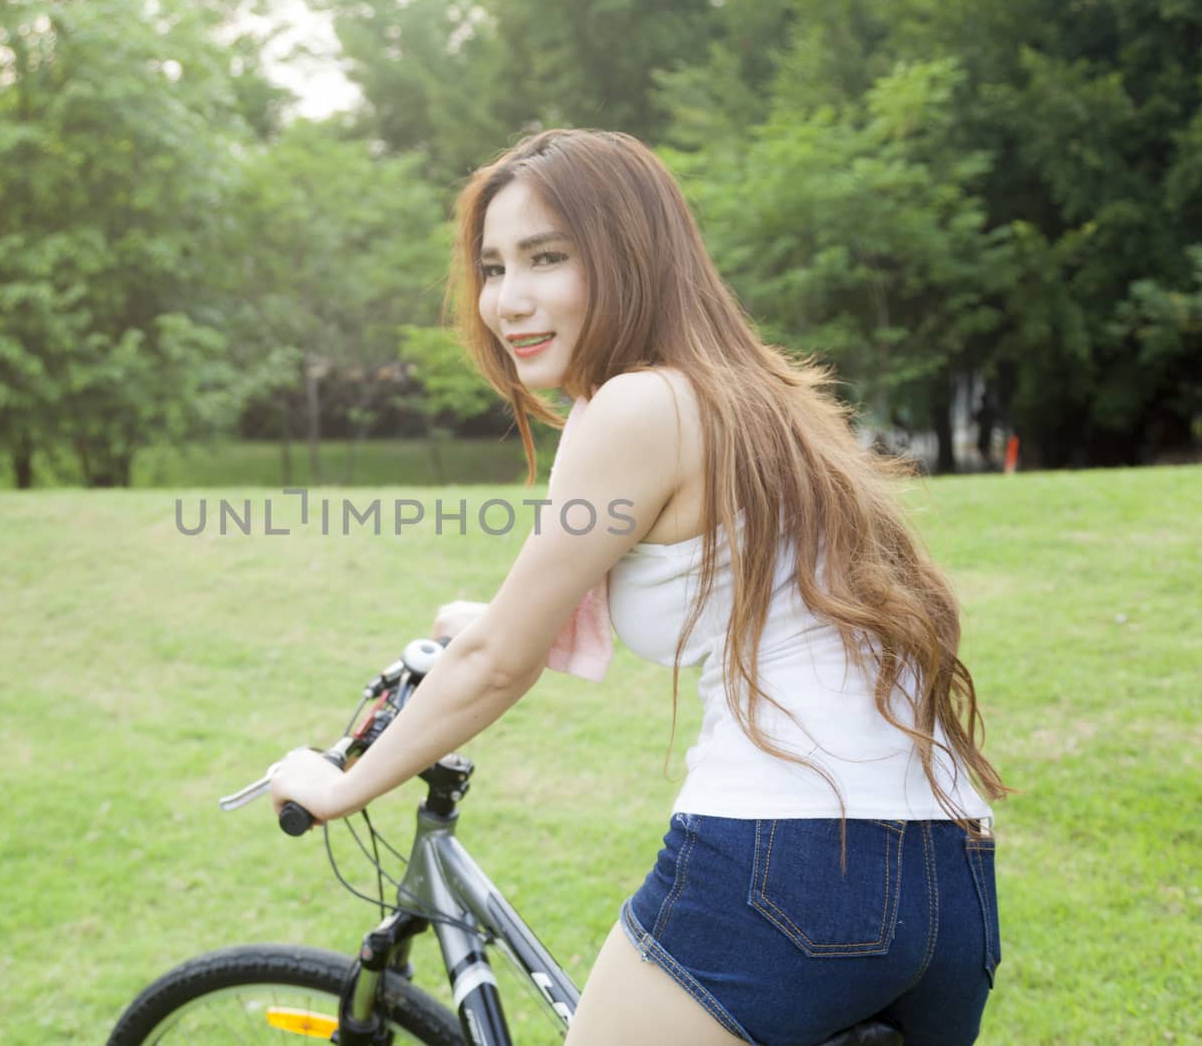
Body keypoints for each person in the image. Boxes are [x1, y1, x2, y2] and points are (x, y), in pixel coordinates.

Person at [269, 129, 1009, 1046]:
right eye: (494, 267)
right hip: (951, 874)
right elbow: (670, 589)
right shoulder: (760, 395)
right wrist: (491, 622)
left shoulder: (632, 404)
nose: (509, 299)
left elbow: (503, 663)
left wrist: (338, 783)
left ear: (629, 255)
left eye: (548, 257)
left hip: (789, 860)